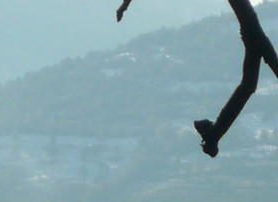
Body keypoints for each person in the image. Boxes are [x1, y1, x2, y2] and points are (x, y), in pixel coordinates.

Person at [117, 0, 278, 157]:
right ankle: (213, 135)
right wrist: (124, 5)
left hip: (252, 32)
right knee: (248, 86)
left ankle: (213, 135)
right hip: (253, 33)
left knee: (248, 86)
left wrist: (124, 5)